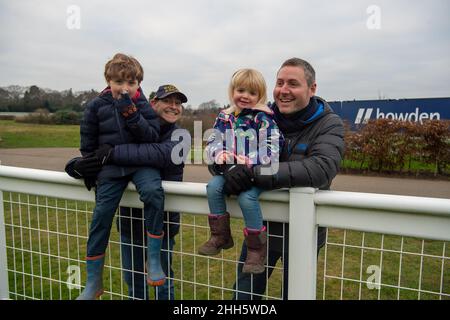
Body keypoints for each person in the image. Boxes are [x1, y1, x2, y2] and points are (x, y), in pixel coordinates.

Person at [223, 58, 345, 299]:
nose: (284, 90)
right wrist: (226, 169)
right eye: (279, 83)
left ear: (312, 89)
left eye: (293, 84)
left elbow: (320, 169)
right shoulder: (257, 115)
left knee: (295, 293)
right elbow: (224, 148)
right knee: (244, 295)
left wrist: (253, 174)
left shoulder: (329, 124)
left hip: (303, 229)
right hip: (260, 228)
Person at [66, 84, 189, 300]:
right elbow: (100, 146)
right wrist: (76, 165)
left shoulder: (181, 135)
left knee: (163, 283)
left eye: (178, 103)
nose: (174, 107)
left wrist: (111, 153)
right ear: (153, 104)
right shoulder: (130, 124)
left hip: (164, 223)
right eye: (167, 101)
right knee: (134, 283)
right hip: (129, 223)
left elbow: (156, 154)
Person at [198, 68, 283, 274]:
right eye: (241, 90)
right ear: (232, 90)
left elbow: (272, 147)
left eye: (252, 93)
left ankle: (256, 249)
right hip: (229, 171)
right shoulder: (224, 117)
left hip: (257, 173)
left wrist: (250, 162)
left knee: (246, 199)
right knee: (212, 187)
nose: (245, 96)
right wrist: (220, 155)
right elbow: (213, 139)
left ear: (260, 96)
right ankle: (220, 236)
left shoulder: (263, 119)